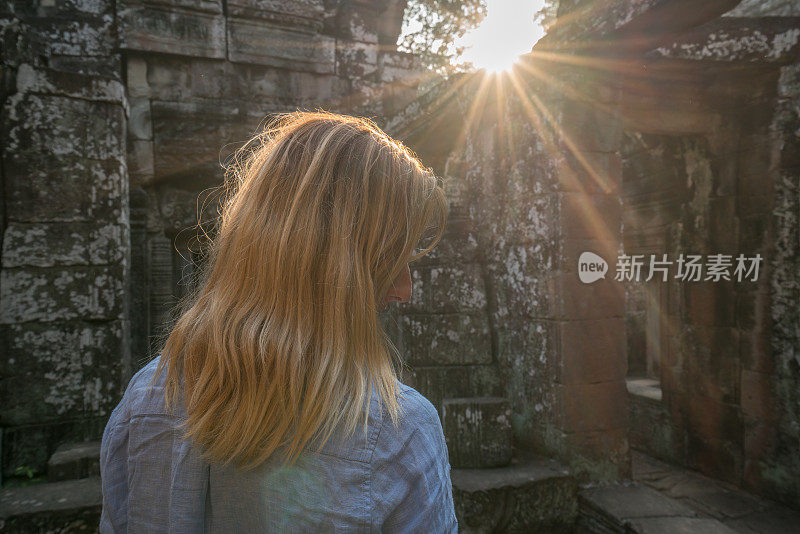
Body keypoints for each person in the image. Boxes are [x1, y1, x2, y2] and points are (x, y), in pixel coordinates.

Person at [99, 111, 457, 532]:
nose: (405, 289)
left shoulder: (143, 401)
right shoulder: (398, 434)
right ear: (334, 268)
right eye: (389, 261)